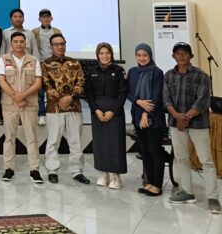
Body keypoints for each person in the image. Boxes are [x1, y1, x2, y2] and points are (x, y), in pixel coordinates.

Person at [164, 42, 221, 213]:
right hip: (176, 123)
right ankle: (187, 192)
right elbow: (166, 99)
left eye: (185, 53)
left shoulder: (201, 76)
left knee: (206, 161)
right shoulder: (168, 75)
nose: (181, 56)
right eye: (178, 53)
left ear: (191, 56)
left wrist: (186, 118)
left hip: (198, 124)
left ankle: (213, 198)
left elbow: (202, 101)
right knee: (181, 158)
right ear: (173, 56)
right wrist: (177, 116)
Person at [42, 34, 89, 184]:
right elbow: (46, 85)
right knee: (53, 141)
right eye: (56, 44)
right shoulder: (45, 64)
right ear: (51, 46)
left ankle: (77, 171)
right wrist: (61, 100)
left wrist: (71, 97)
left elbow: (81, 82)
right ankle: (52, 170)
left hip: (74, 107)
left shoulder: (75, 63)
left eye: (62, 43)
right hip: (54, 109)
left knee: (76, 142)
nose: (60, 46)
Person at [0, 32, 44, 184]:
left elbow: (38, 83)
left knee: (31, 137)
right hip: (9, 105)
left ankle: (35, 170)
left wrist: (23, 96)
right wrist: (15, 97)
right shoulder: (4, 59)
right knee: (9, 137)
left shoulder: (34, 60)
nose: (19, 44)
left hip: (29, 104)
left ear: (26, 43)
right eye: (16, 41)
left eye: (21, 41)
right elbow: (2, 82)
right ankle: (9, 168)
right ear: (11, 44)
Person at [85, 42, 127, 189]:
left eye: (107, 53)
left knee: (115, 142)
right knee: (100, 142)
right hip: (97, 111)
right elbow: (88, 93)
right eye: (101, 53)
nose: (105, 56)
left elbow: (123, 93)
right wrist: (95, 110)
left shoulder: (119, 70)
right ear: (97, 55)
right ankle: (104, 172)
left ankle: (116, 175)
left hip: (115, 111)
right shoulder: (91, 71)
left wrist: (112, 111)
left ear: (112, 54)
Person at [127, 43, 166, 198]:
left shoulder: (157, 72)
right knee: (145, 151)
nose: (142, 58)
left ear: (150, 56)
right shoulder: (132, 72)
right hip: (137, 116)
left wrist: (145, 114)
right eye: (139, 55)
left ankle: (157, 185)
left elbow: (157, 96)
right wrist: (138, 101)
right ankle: (149, 182)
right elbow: (129, 93)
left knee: (154, 150)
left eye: (145, 55)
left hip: (154, 117)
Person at [31, 9, 61, 126]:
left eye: (48, 16)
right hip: (40, 64)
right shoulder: (35, 32)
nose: (46, 18)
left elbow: (60, 47)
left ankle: (54, 113)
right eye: (43, 17)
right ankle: (41, 115)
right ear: (39, 19)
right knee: (40, 91)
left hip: (54, 64)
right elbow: (33, 48)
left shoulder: (57, 31)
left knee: (54, 89)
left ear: (51, 18)